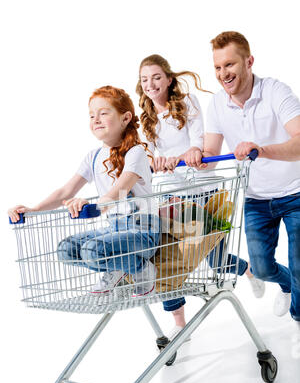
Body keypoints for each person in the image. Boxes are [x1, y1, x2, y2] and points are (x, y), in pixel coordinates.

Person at [136, 54, 264, 341]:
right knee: (165, 262)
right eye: (145, 79)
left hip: (203, 193)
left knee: (216, 263)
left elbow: (197, 144)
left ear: (169, 79)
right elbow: (147, 154)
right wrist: (155, 161)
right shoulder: (146, 118)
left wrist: (183, 156)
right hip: (171, 199)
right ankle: (180, 325)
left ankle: (248, 271)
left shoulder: (187, 104)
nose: (151, 84)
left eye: (156, 77)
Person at [8, 86, 160, 297]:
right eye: (91, 115)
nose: (96, 119)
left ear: (125, 118)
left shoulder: (137, 153)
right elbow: (66, 191)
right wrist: (34, 209)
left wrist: (96, 206)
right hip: (115, 229)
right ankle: (116, 265)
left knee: (92, 250)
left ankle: (141, 268)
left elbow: (121, 188)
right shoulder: (94, 156)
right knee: (66, 249)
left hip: (142, 231)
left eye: (104, 113)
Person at [203, 31, 300, 357]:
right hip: (257, 199)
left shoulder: (275, 91)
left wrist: (262, 149)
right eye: (217, 67)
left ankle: (299, 321)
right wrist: (189, 156)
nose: (223, 74)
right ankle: (285, 284)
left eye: (229, 64)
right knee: (260, 268)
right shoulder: (217, 103)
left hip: (296, 192)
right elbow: (209, 157)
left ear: (249, 62)